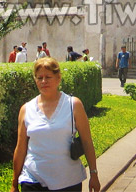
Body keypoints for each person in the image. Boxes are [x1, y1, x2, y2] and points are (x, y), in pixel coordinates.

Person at [11, 57, 100, 192]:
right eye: (39, 78)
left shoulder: (73, 105)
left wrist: (94, 173)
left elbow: (87, 142)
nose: (44, 81)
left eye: (48, 77)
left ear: (58, 78)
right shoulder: (26, 109)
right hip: (33, 180)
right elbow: (21, 147)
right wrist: (14, 182)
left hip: (67, 181)